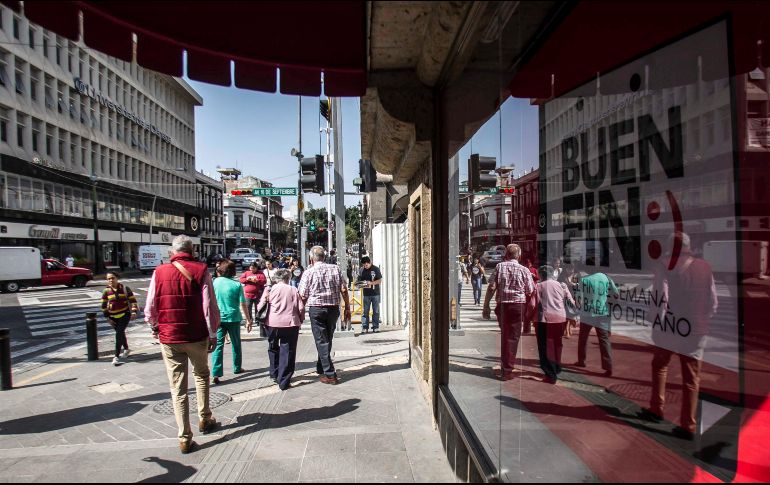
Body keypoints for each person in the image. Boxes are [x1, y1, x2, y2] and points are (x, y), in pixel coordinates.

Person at [144, 235, 221, 454]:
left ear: (172, 252)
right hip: (196, 334)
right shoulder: (200, 269)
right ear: (193, 250)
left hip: (170, 337)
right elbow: (209, 306)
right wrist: (213, 332)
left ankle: (184, 437)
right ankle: (205, 417)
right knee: (201, 375)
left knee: (177, 388)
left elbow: (150, 306)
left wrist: (154, 326)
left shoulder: (159, 272)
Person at [637, 233, 717, 441]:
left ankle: (657, 408)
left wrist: (655, 321)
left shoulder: (664, 266)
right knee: (692, 378)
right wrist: (702, 318)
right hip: (697, 328)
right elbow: (713, 300)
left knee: (660, 364)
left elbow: (661, 299)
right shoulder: (705, 266)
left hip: (672, 328)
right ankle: (688, 424)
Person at [298, 246, 351, 384]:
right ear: (324, 257)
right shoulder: (335, 269)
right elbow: (344, 289)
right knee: (327, 338)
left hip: (317, 309)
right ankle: (321, 366)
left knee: (321, 340)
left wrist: (300, 311)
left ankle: (330, 374)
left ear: (311, 258)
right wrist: (347, 307)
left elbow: (302, 295)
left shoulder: (308, 272)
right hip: (333, 309)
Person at [482, 244, 535, 380]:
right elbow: (530, 290)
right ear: (519, 255)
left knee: (505, 335)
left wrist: (486, 305)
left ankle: (505, 365)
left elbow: (491, 286)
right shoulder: (524, 270)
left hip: (503, 306)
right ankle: (507, 369)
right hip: (518, 306)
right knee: (513, 337)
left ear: (507, 255)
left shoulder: (500, 267)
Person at [258, 268, 305, 390]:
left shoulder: (269, 289)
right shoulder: (293, 289)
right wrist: (300, 319)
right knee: (288, 350)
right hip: (290, 323)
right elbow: (300, 308)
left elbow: (260, 306)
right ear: (288, 278)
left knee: (273, 347)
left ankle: (274, 373)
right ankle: (283, 380)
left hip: (272, 323)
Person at [573, 259, 619, 377]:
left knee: (583, 338)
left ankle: (581, 360)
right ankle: (608, 366)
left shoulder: (584, 280)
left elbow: (578, 298)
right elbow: (616, 293)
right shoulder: (606, 278)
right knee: (604, 340)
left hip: (587, 312)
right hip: (602, 312)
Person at [212, 259, 253, 385]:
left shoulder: (215, 282)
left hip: (218, 317)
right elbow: (243, 304)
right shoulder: (236, 285)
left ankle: (216, 372)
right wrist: (248, 320)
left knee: (218, 345)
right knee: (236, 343)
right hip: (234, 317)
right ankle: (237, 367)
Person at [532, 265, 575, 384]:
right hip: (560, 317)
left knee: (545, 346)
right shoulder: (562, 285)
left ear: (541, 275)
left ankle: (550, 374)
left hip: (544, 319)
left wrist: (529, 316)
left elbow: (533, 304)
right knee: (557, 344)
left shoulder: (539, 286)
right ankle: (556, 367)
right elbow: (571, 302)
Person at [101, 271, 139, 366]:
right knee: (120, 333)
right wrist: (107, 318)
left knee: (118, 334)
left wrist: (133, 312)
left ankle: (116, 356)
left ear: (117, 278)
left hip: (124, 315)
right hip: (113, 317)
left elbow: (133, 301)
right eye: (108, 279)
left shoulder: (125, 288)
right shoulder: (106, 291)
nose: (110, 280)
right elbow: (103, 305)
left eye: (112, 278)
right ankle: (126, 349)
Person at [357, 256, 383, 333]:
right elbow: (358, 281)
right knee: (365, 311)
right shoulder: (362, 270)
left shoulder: (376, 269)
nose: (365, 266)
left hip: (375, 294)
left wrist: (371, 283)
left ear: (369, 262)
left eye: (366, 265)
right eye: (364, 265)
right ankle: (365, 327)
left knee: (376, 311)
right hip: (366, 294)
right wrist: (362, 284)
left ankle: (375, 327)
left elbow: (379, 280)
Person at [557, 263, 579, 338]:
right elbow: (558, 286)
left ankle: (568, 328)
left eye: (572, 269)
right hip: (565, 298)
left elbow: (580, 287)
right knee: (567, 314)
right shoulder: (562, 277)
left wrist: (575, 285)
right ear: (566, 269)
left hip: (573, 297)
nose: (571, 271)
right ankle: (567, 330)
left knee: (571, 314)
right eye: (569, 269)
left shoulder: (576, 276)